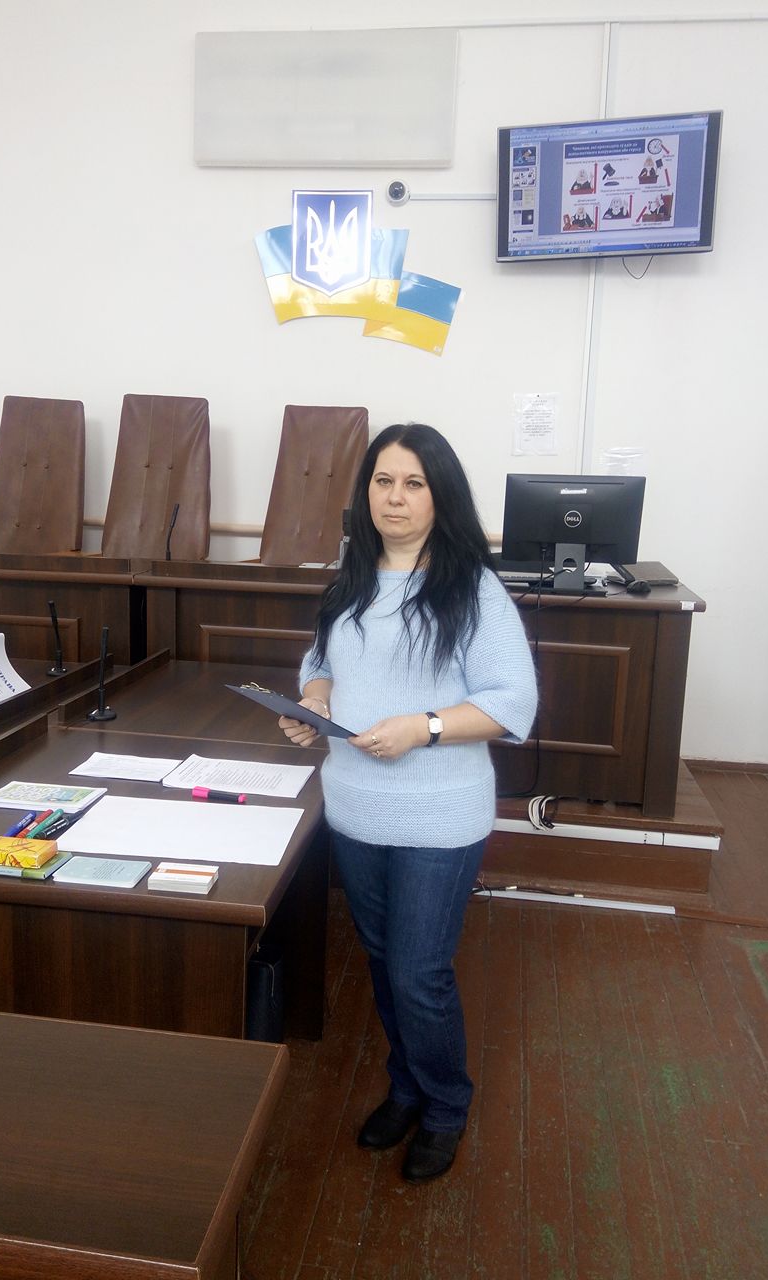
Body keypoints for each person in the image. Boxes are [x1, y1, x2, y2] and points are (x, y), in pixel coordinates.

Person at [278, 423, 537, 1183]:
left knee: (420, 973)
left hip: (439, 813)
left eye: (414, 484)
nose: (395, 498)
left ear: (439, 496)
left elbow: (512, 703)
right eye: (383, 481)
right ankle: (407, 1087)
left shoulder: (472, 588)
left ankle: (447, 1105)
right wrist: (313, 699)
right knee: (386, 961)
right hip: (355, 806)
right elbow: (322, 658)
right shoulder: (352, 575)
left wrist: (422, 727)